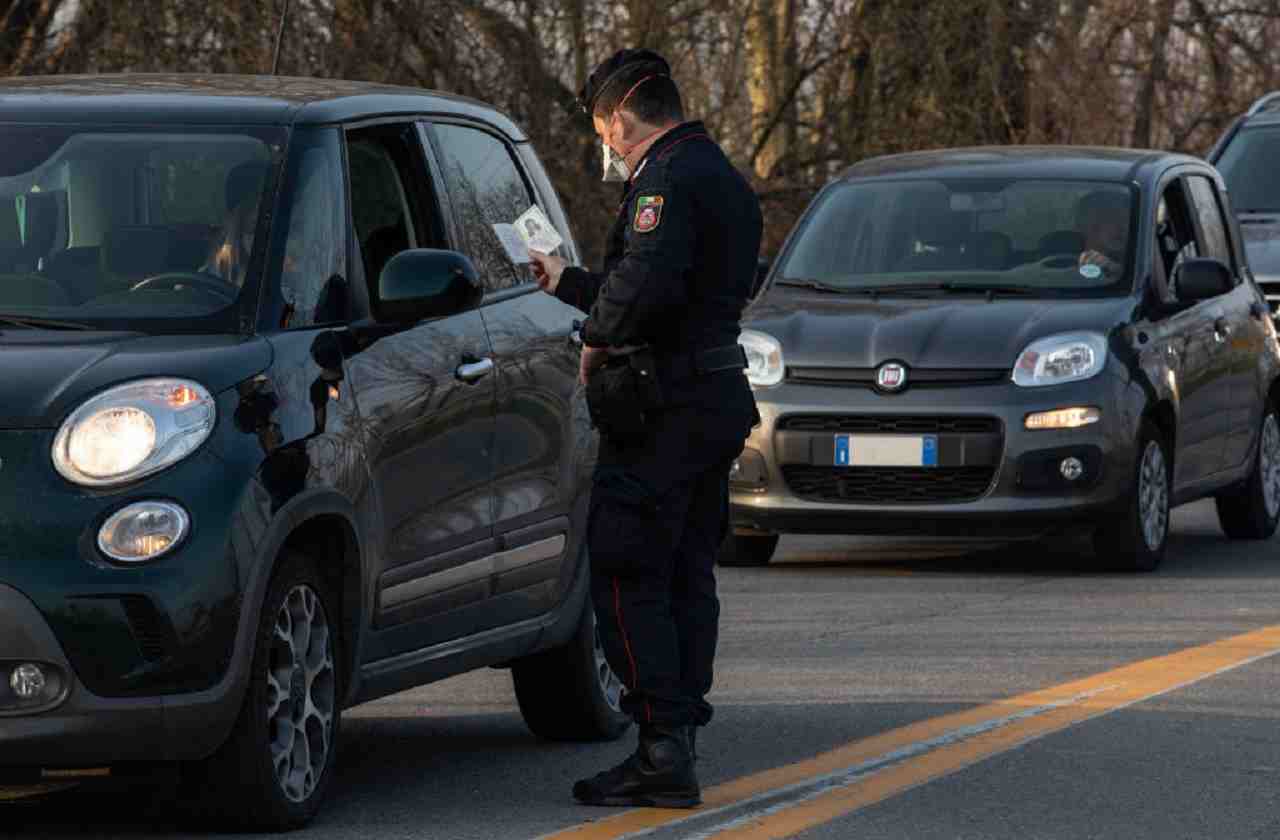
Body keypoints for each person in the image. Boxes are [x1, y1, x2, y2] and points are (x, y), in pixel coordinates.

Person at [529, 48, 762, 809]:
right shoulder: (718, 174)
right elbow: (671, 290)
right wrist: (570, 284)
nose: (607, 146)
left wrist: (595, 333)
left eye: (604, 131)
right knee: (689, 572)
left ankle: (661, 747)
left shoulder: (663, 180)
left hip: (666, 407)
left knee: (629, 570)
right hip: (711, 397)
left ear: (621, 118)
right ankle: (680, 733)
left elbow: (643, 295)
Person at [1076, 189, 1129, 278]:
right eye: (1112, 219)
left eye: (1125, 219)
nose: (1122, 227)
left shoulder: (1137, 259)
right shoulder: (1060, 258)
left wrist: (1113, 268)